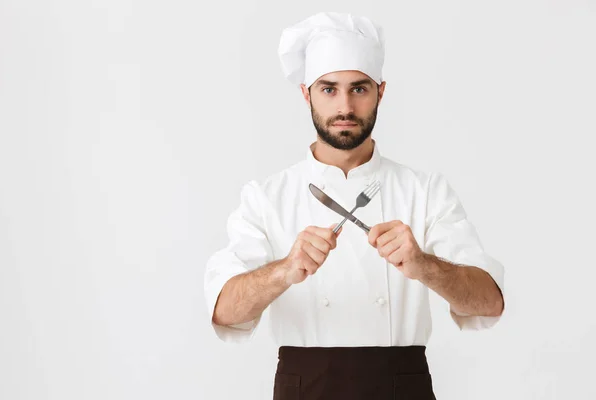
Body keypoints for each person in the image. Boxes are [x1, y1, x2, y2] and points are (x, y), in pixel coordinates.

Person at [203, 11, 505, 400]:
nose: (344, 106)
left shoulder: (424, 190)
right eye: (328, 89)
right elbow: (224, 311)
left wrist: (424, 266)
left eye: (359, 89)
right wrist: (285, 271)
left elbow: (490, 303)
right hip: (303, 388)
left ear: (380, 91)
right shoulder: (266, 197)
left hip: (401, 387)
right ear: (305, 93)